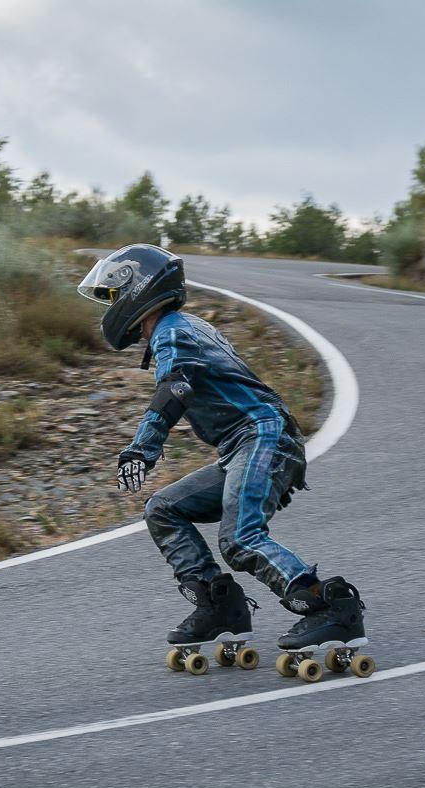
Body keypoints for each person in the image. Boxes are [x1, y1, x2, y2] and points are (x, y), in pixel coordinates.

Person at [77, 243, 366, 653]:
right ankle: (220, 606)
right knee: (164, 509)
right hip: (242, 445)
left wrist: (142, 449)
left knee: (239, 538)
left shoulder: (173, 331)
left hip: (263, 436)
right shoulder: (183, 327)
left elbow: (175, 388)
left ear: (137, 287)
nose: (110, 305)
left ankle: (330, 606)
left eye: (112, 294)